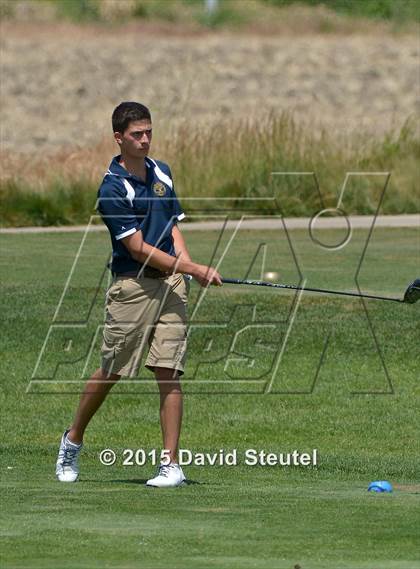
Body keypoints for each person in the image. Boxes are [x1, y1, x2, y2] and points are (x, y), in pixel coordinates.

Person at [55, 101, 222, 487]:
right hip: (133, 286)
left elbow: (173, 225)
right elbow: (138, 248)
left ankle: (170, 464)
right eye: (136, 134)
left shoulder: (162, 171)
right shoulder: (112, 187)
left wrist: (188, 264)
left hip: (172, 283)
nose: (145, 140)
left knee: (169, 370)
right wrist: (193, 268)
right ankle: (73, 438)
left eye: (149, 132)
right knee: (113, 370)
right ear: (119, 138)